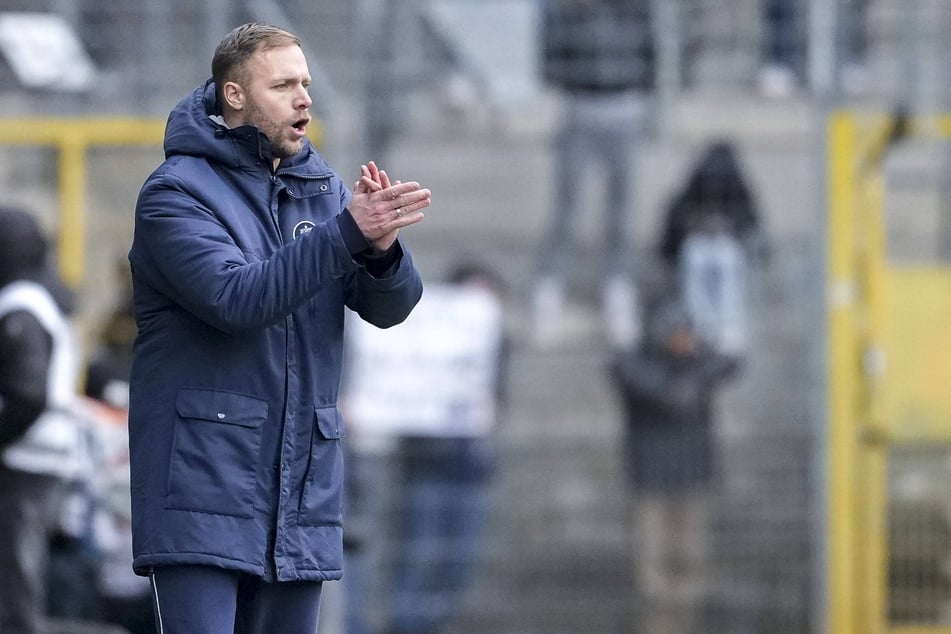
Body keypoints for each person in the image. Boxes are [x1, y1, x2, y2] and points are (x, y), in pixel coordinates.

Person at [126, 22, 431, 634]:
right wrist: (346, 233)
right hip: (201, 493)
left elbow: (392, 308)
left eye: (307, 83)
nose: (304, 98)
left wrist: (379, 251)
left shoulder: (320, 189)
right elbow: (236, 298)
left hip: (300, 498)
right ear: (235, 96)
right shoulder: (175, 194)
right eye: (284, 84)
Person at [608, 296, 740, 634]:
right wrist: (679, 383)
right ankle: (658, 616)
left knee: (692, 547)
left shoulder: (698, 363)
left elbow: (731, 363)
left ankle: (688, 609)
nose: (684, 340)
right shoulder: (637, 363)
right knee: (653, 549)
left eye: (687, 333)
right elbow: (642, 381)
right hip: (651, 470)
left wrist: (698, 363)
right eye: (677, 334)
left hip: (692, 469)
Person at [533, 0, 656, 349]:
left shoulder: (637, 10)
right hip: (582, 104)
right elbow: (553, 55)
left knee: (621, 210)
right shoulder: (572, 11)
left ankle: (619, 290)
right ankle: (550, 289)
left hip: (625, 104)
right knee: (565, 208)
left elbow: (655, 50)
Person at [0, 206, 85, 633]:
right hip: (43, 457)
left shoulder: (20, 307)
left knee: (15, 575)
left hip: (25, 461)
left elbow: (27, 393)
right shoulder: (38, 297)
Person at [659, 140, 768, 357]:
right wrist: (695, 228)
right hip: (697, 250)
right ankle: (701, 326)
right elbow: (672, 233)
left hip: (730, 251)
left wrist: (729, 231)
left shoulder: (739, 193)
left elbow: (752, 228)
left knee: (726, 258)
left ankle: (729, 325)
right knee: (695, 255)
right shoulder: (690, 194)